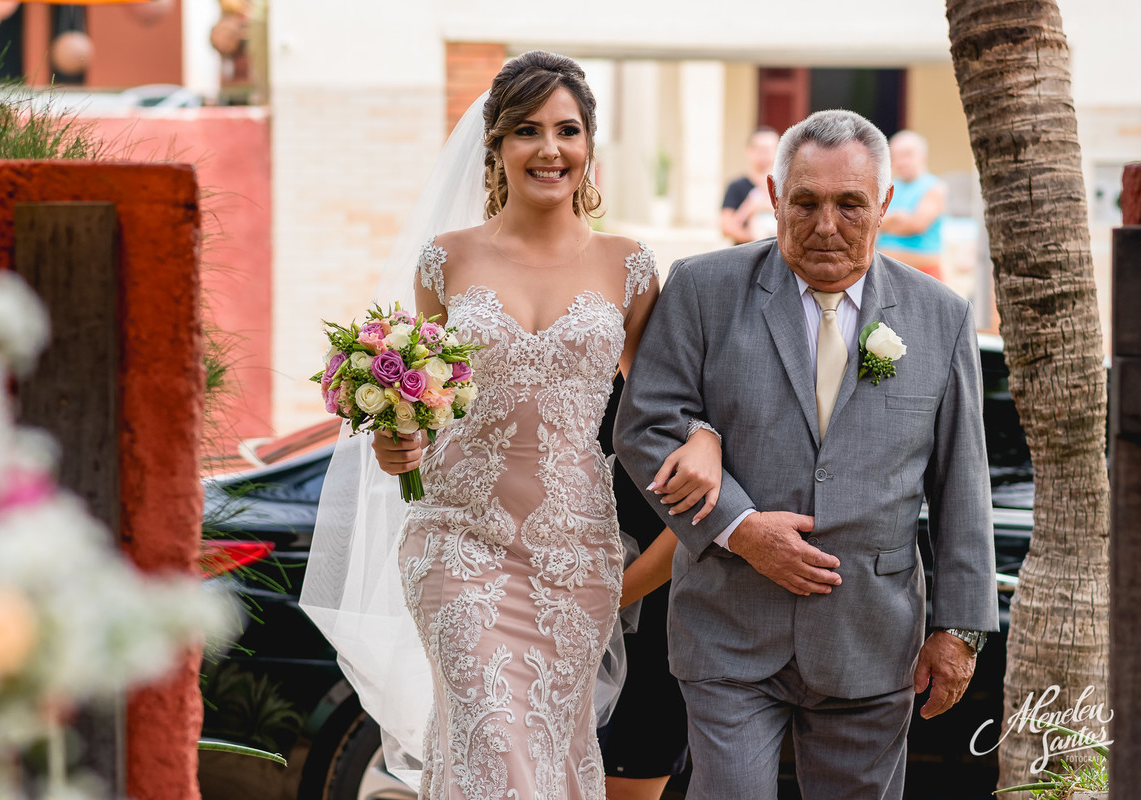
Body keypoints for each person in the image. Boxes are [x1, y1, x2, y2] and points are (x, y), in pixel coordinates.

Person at [613, 109, 999, 800]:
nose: (827, 226)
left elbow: (961, 485)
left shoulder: (940, 315)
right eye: (807, 203)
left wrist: (960, 629)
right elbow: (646, 427)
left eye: (850, 205)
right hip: (728, 627)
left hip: (873, 635)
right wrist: (740, 528)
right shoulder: (702, 289)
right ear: (773, 195)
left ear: (883, 202)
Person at [366, 51, 722, 800]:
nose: (549, 148)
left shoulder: (628, 268)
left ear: (589, 145)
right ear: (497, 146)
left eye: (567, 130)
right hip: (460, 545)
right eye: (527, 130)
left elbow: (668, 408)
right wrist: (398, 448)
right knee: (493, 738)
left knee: (553, 755)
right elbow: (422, 419)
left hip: (575, 559)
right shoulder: (445, 262)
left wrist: (705, 438)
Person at [596, 372, 690, 800]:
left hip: (658, 619)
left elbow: (698, 515)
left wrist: (601, 604)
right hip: (536, 600)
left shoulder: (681, 363)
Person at [877, 130, 947, 280]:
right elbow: (871, 222)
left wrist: (883, 223)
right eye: (896, 156)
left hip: (924, 275)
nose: (901, 161)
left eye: (907, 155)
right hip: (886, 274)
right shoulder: (888, 187)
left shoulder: (934, 187)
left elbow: (916, 224)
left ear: (923, 156)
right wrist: (897, 218)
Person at [720, 127, 780, 244]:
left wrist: (762, 206)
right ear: (748, 151)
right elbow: (726, 226)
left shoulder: (786, 185)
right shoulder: (736, 186)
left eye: (769, 149)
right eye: (759, 149)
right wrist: (758, 242)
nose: (764, 155)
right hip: (746, 254)